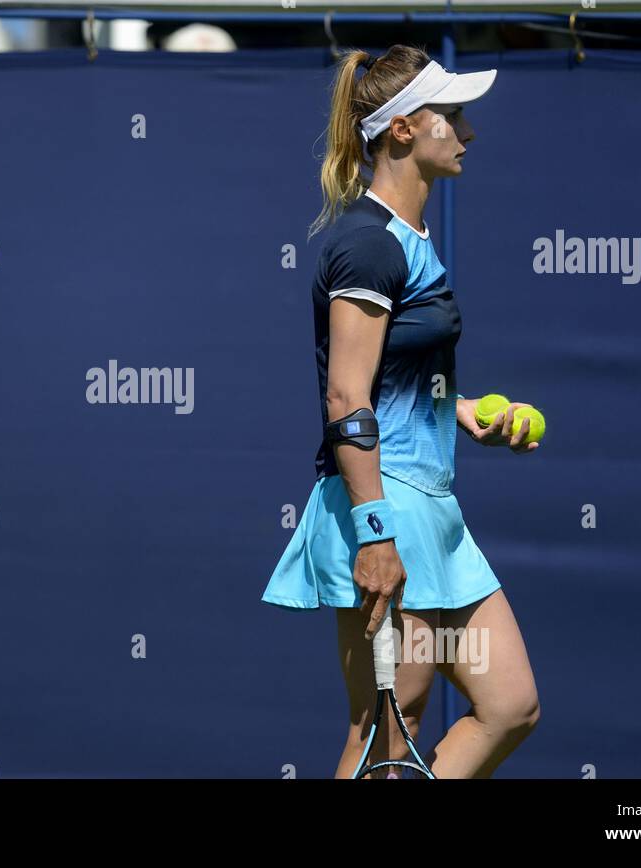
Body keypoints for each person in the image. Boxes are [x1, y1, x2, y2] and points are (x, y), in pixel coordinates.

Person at [261, 46, 541, 778]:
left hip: (437, 519)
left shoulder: (408, 240)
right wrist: (375, 535)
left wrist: (465, 409)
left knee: (510, 704)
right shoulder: (367, 246)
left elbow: (398, 380)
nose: (467, 133)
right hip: (386, 511)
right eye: (453, 117)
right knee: (385, 730)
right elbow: (347, 397)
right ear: (405, 130)